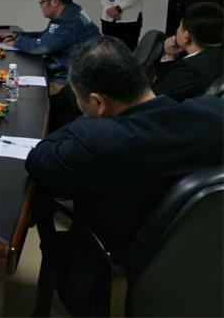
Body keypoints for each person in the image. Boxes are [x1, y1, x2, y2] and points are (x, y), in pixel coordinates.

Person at [25, 36, 224, 315]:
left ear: (97, 103)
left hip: (113, 273)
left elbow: (38, 159)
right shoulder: (215, 113)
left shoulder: (100, 142)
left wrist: (88, 120)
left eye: (82, 102)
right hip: (206, 269)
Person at [4, 0, 100, 88]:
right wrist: (19, 35)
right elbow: (47, 36)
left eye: (42, 1)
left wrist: (17, 42)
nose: (41, 6)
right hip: (79, 75)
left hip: (71, 83)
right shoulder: (72, 12)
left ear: (54, 1)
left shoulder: (67, 22)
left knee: (17, 86)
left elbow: (42, 46)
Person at [153, 1, 223, 102]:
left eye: (180, 26)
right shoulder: (217, 57)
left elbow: (152, 100)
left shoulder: (187, 71)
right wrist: (170, 56)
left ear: (186, 36)